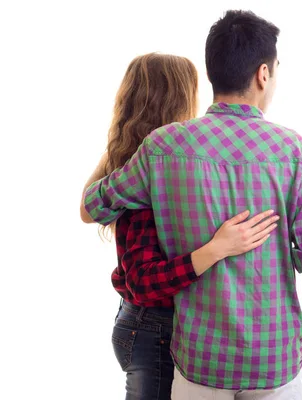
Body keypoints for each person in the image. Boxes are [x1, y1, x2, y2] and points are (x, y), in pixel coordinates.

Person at [81, 10, 302, 399]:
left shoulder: (162, 147)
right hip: (273, 360)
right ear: (263, 74)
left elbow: (94, 206)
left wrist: (118, 139)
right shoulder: (295, 152)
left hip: (199, 361)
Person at [81, 52, 278, 400]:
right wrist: (216, 249)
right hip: (152, 327)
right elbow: (144, 281)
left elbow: (87, 208)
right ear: (181, 97)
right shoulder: (147, 167)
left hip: (148, 323)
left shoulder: (151, 156)